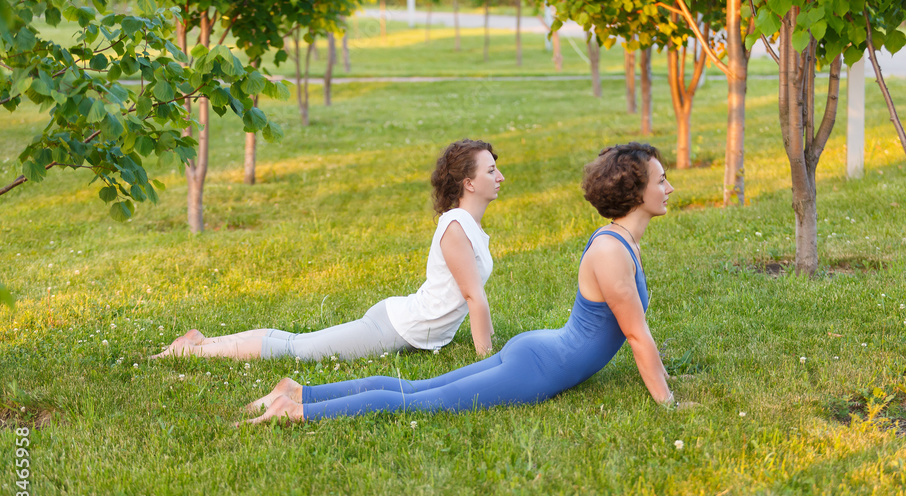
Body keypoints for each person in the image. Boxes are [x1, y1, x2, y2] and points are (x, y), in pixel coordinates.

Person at [242, 142, 674, 424]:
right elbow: (637, 336)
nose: (669, 187)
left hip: (539, 352)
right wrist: (669, 404)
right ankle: (295, 411)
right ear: (636, 193)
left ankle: (299, 391)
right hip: (538, 366)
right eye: (661, 180)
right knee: (419, 403)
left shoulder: (621, 243)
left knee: (416, 390)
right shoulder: (612, 250)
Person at [152, 139, 504, 361]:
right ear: (469, 183)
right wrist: (487, 360)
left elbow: (471, 296)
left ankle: (201, 341)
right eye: (491, 170)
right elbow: (475, 298)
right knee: (297, 350)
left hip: (404, 323)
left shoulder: (467, 225)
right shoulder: (456, 228)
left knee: (297, 342)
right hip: (396, 328)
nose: (500, 176)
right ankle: (194, 350)